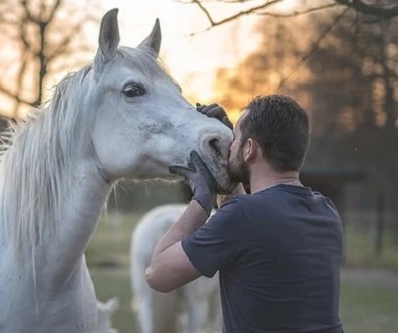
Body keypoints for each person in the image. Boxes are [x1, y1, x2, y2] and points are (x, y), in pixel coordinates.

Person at [145, 94, 344, 333]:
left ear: (250, 149)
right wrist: (229, 155)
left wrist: (201, 201)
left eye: (236, 139)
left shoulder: (244, 217)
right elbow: (252, 223)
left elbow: (157, 274)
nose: (230, 145)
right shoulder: (327, 211)